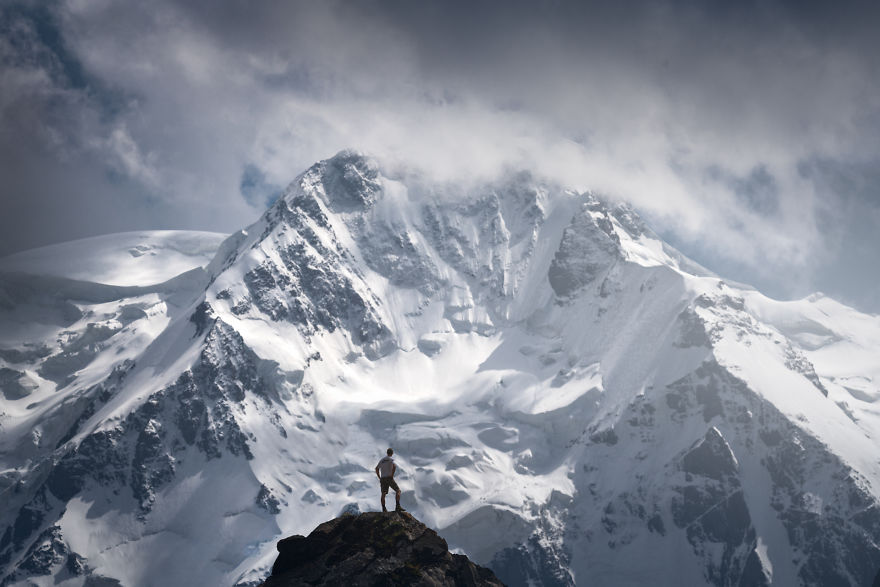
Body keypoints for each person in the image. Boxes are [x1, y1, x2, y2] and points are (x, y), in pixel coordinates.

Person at [375, 447, 404, 513]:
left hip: (382, 478)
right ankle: (398, 506)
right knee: (398, 490)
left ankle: (384, 509)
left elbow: (376, 469)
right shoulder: (391, 459)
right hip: (389, 477)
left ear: (387, 453)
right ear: (392, 453)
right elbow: (394, 467)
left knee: (383, 493)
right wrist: (392, 475)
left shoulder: (382, 460)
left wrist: (379, 477)